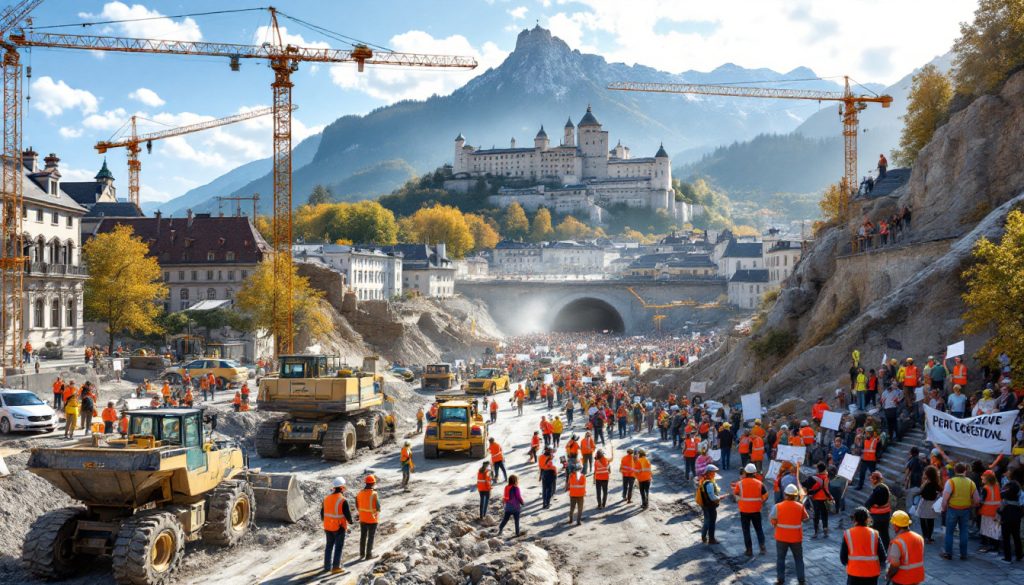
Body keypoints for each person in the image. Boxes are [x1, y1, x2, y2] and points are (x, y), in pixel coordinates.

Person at [770, 483, 809, 585]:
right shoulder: (800, 506)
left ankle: (780, 579)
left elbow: (773, 520)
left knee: (780, 559)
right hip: (796, 538)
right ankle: (801, 580)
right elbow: (806, 518)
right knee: (798, 559)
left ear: (785, 494)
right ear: (796, 495)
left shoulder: (778, 506)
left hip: (781, 537)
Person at [941, 462, 980, 560]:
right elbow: (977, 501)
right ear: (965, 470)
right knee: (964, 532)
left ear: (955, 470)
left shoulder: (951, 482)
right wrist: (970, 505)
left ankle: (948, 553)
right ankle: (963, 554)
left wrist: (943, 508)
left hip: (952, 509)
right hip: (965, 510)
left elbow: (945, 498)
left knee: (949, 532)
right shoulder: (971, 483)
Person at [840, 507, 885, 585]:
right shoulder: (874, 534)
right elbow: (883, 556)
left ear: (855, 519)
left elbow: (843, 558)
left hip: (854, 573)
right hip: (872, 574)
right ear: (867, 519)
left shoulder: (848, 534)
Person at [733, 463, 769, 556]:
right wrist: (761, 502)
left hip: (744, 511)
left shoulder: (739, 484)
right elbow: (766, 496)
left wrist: (739, 501)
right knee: (759, 529)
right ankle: (762, 548)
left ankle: (749, 550)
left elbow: (736, 495)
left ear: (745, 472)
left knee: (746, 530)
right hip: (756, 510)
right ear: (754, 473)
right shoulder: (759, 483)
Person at [321, 476, 352, 575]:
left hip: (327, 527)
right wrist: (351, 522)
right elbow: (348, 515)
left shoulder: (326, 499)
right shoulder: (342, 500)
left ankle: (327, 567)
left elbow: (322, 513)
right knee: (338, 547)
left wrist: (326, 521)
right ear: (342, 488)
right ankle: (336, 567)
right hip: (339, 527)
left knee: (329, 546)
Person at [885, 511, 925, 585]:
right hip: (916, 577)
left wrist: (888, 575)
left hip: (902, 579)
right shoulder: (919, 538)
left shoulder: (897, 542)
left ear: (896, 526)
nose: (893, 527)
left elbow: (894, 565)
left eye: (893, 524)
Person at [802, 462, 833, 538]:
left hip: (815, 499)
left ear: (818, 469)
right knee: (824, 514)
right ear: (824, 469)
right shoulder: (827, 477)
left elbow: (804, 484)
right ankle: (825, 529)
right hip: (825, 500)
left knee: (816, 515)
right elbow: (827, 489)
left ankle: (816, 532)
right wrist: (831, 497)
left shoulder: (813, 478)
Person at [1000, 468, 1023, 563]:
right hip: (1016, 513)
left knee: (1006, 536)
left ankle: (1007, 557)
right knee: (1016, 535)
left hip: (1007, 513)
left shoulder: (1008, 486)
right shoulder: (1018, 487)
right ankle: (1019, 555)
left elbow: (1002, 495)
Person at [865, 471, 892, 552]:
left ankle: (875, 551)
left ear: (875, 480)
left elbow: (868, 503)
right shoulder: (885, 487)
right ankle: (887, 550)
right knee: (885, 534)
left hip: (876, 516)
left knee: (873, 534)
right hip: (886, 515)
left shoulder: (877, 490)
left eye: (871, 479)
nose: (870, 481)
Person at [356, 475, 380, 560]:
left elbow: (357, 505)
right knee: (370, 537)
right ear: (373, 483)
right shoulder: (374, 494)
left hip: (363, 518)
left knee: (363, 536)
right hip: (372, 519)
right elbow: (378, 507)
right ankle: (368, 555)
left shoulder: (359, 493)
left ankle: (362, 554)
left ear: (366, 483)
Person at [978, 470, 1002, 552]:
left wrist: (977, 508)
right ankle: (996, 546)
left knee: (986, 529)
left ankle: (986, 546)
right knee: (995, 529)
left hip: (987, 511)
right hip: (997, 511)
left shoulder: (985, 488)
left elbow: (981, 501)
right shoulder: (998, 486)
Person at [916, 465, 940, 544]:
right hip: (932, 504)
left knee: (923, 519)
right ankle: (928, 537)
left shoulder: (927, 483)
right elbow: (940, 490)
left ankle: (925, 536)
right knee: (930, 520)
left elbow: (921, 492)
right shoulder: (935, 483)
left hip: (925, 502)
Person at [698, 464, 721, 544]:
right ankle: (711, 539)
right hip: (710, 506)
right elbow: (712, 497)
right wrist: (720, 498)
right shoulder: (709, 484)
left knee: (707, 520)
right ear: (709, 473)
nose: (714, 474)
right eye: (713, 472)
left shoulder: (703, 480)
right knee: (711, 522)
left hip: (704, 504)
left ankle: (703, 536)